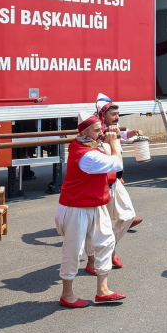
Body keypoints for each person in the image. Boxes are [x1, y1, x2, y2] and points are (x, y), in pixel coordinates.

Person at [54, 115, 127, 304]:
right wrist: (114, 141)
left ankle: (102, 290)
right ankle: (67, 295)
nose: (101, 132)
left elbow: (107, 157)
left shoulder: (87, 144)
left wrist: (109, 140)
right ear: (84, 132)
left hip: (95, 203)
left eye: (101, 128)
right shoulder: (87, 154)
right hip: (76, 207)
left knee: (106, 242)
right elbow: (117, 164)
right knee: (73, 250)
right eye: (96, 130)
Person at [85, 94, 144, 275]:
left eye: (118, 114)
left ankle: (110, 248)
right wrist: (105, 137)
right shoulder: (96, 131)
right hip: (98, 184)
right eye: (113, 114)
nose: (117, 117)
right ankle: (91, 261)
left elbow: (121, 136)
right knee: (94, 227)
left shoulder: (114, 129)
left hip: (115, 181)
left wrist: (129, 133)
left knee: (128, 215)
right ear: (102, 115)